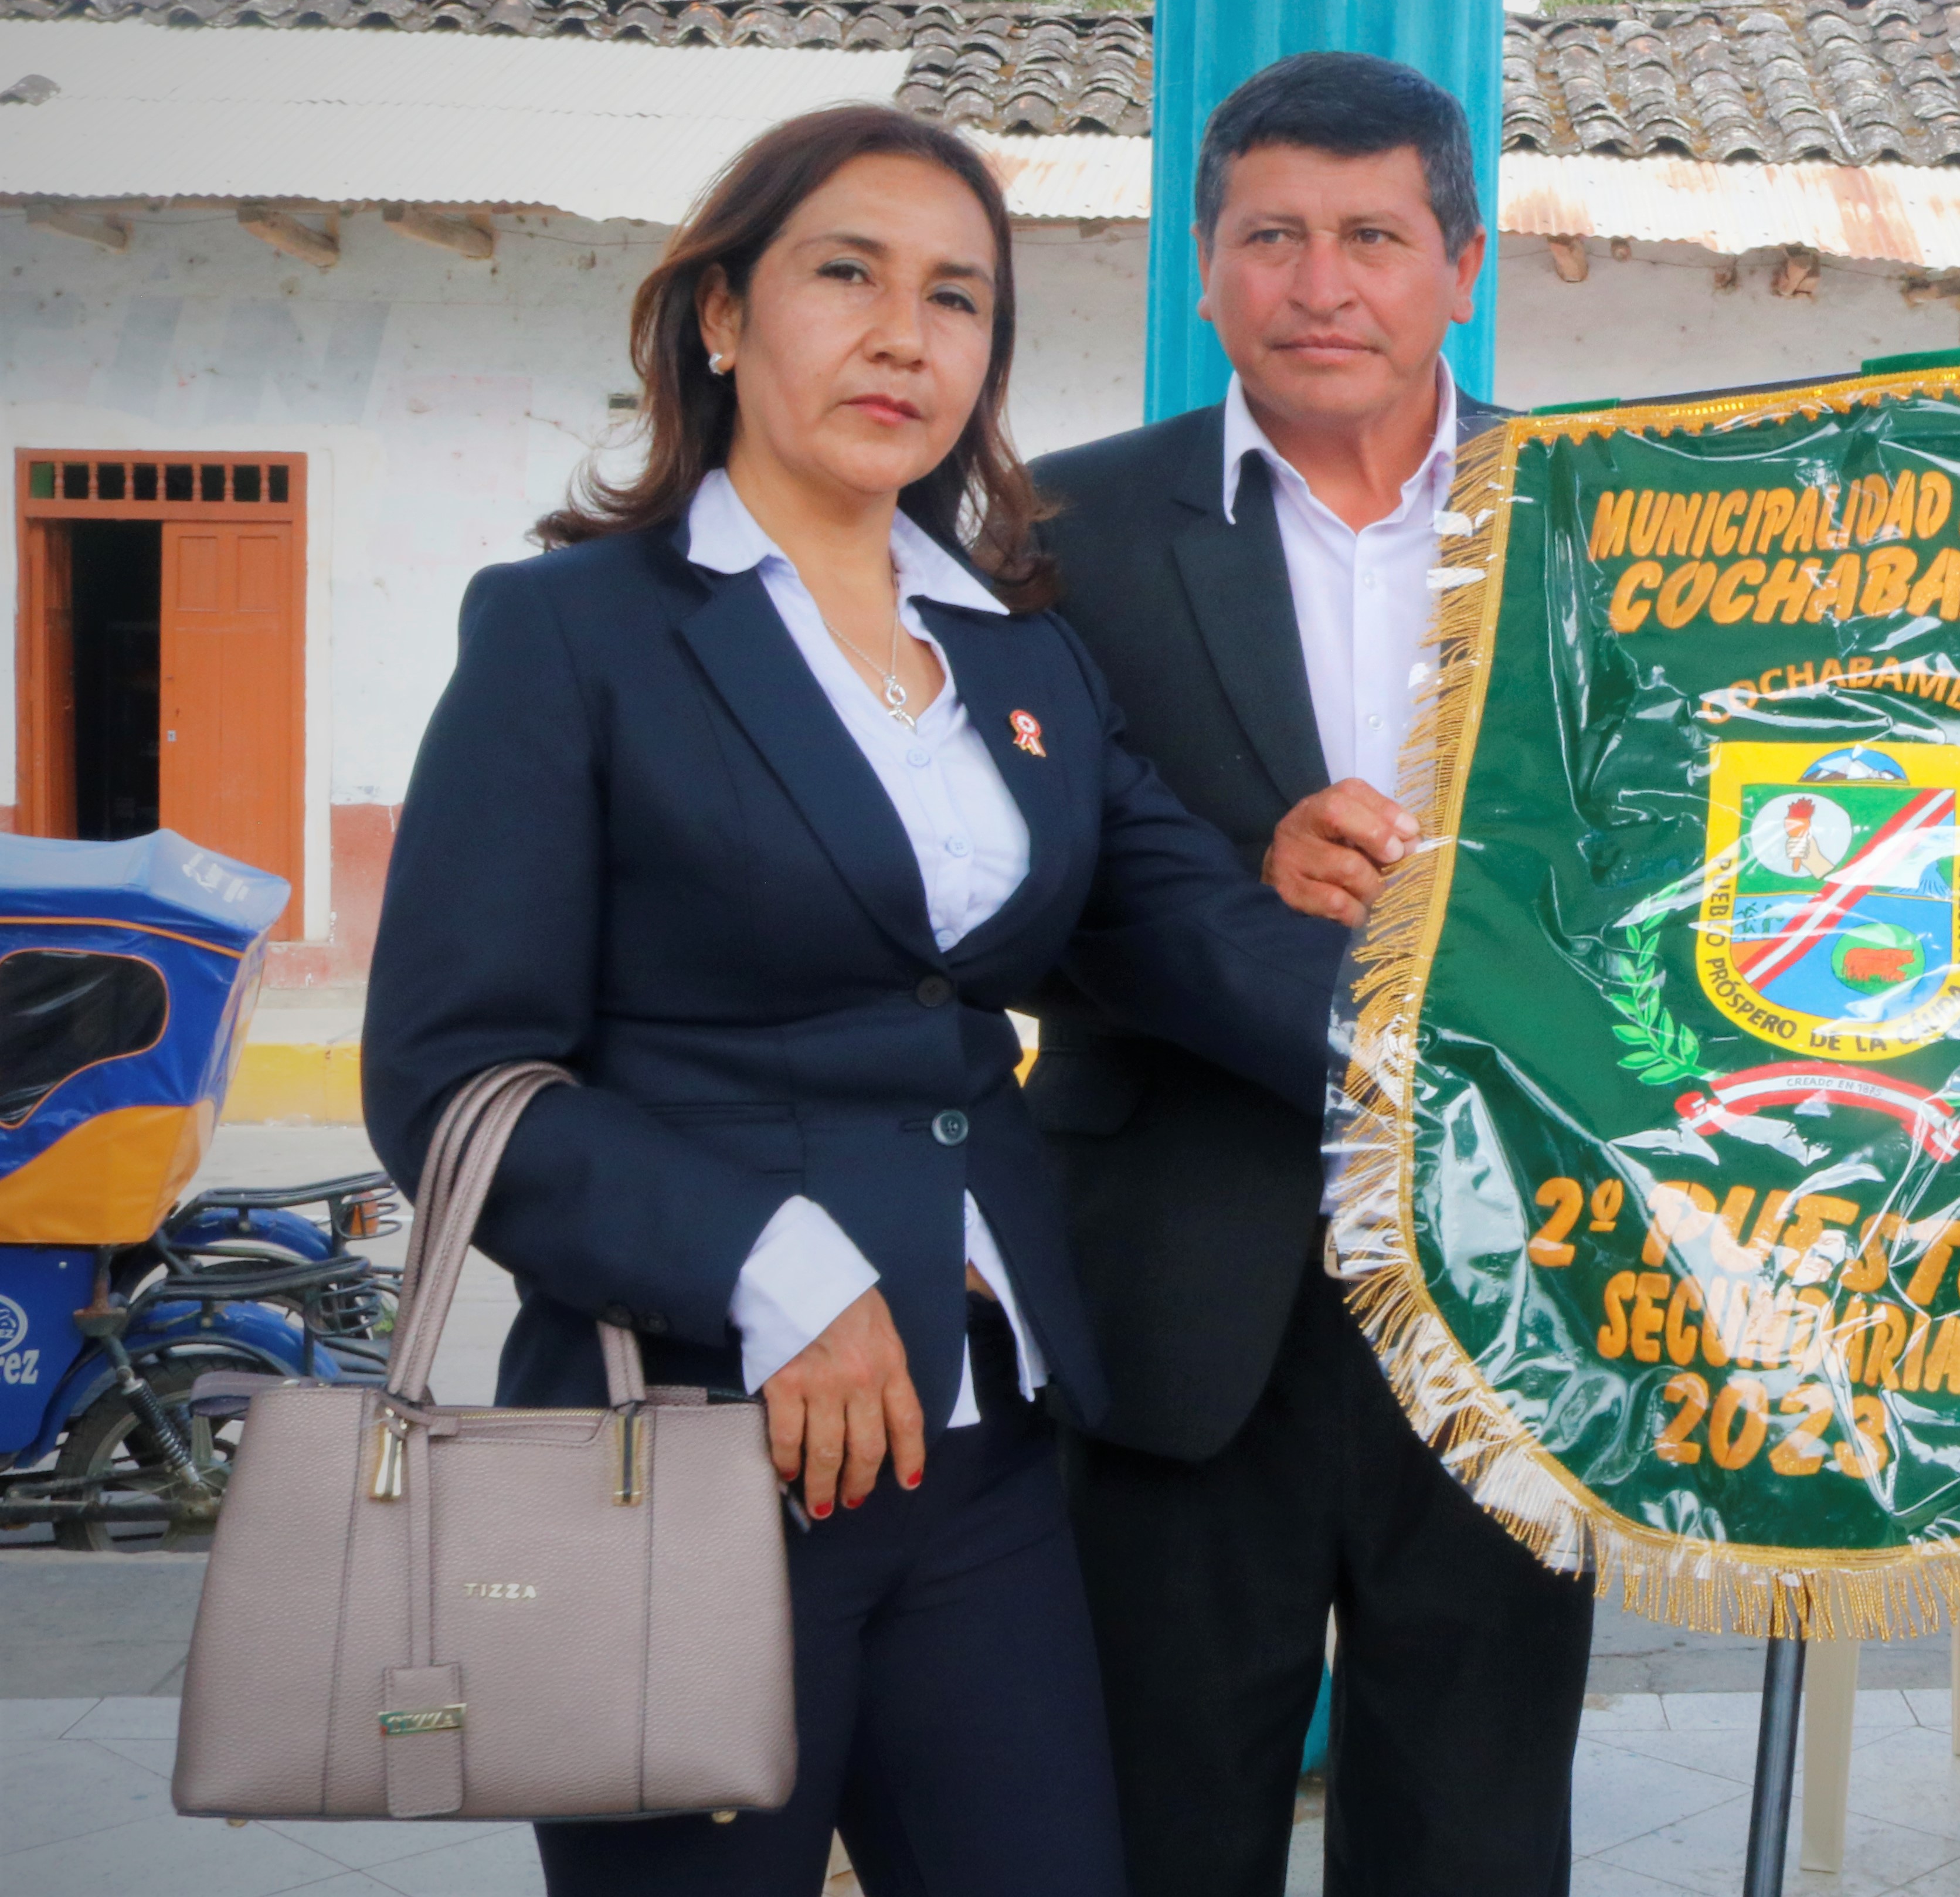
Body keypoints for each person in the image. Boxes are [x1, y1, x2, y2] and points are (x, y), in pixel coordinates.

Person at [361, 104, 1346, 1897]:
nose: (907, 336)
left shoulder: (1021, 651)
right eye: (849, 275)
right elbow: (449, 1081)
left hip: (986, 1452)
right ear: (723, 313)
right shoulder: (570, 633)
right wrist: (777, 1266)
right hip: (689, 1457)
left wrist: (1523, 1050)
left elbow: (1194, 930)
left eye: (959, 300)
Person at [1024, 52, 1589, 1897]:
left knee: (1473, 1840)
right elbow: (1003, 898)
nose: (1320, 284)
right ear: (1204, 269)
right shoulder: (1057, 536)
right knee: (1152, 1829)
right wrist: (1239, 902)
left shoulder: (1607, 526)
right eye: (1271, 237)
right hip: (1180, 1300)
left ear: (1464, 266)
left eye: (1371, 236)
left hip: (1514, 1305)